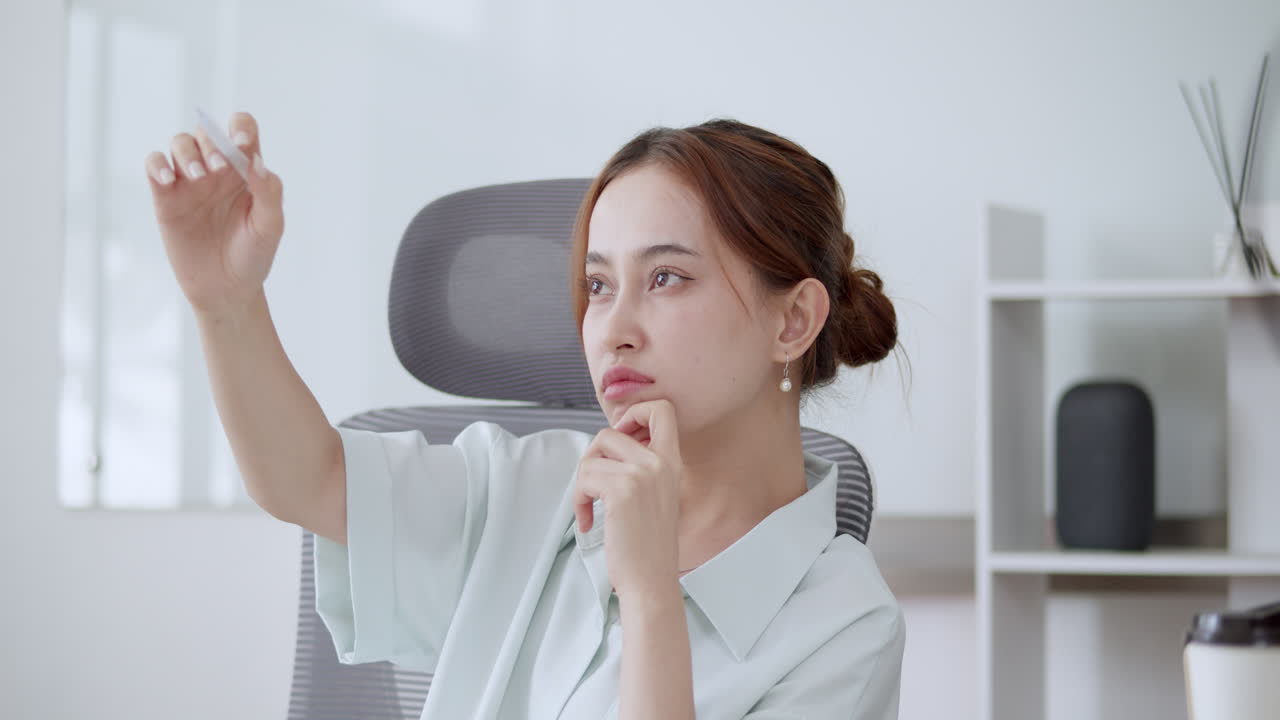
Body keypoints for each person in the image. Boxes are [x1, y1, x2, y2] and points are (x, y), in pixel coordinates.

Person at [146, 113, 907, 719]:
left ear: (793, 321)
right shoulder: (533, 483)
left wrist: (648, 597)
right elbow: (306, 481)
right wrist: (227, 303)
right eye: (598, 286)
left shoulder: (845, 630)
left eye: (667, 277)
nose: (613, 327)